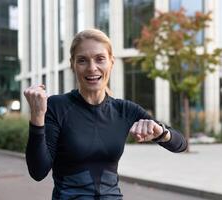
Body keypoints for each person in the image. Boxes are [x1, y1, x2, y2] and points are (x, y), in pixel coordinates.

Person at [24, 29, 187, 200]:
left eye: (100, 59)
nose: (92, 68)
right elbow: (38, 171)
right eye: (82, 60)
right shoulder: (57, 106)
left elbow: (180, 144)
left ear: (111, 62)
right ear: (72, 64)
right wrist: (37, 117)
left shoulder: (125, 110)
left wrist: (161, 132)